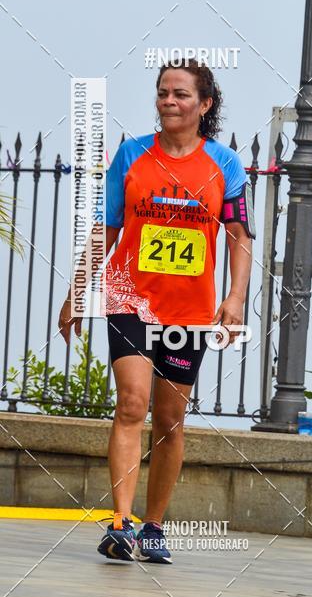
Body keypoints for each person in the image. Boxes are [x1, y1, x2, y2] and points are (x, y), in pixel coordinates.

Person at [59, 61, 255, 563]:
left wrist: (234, 299)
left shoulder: (225, 165)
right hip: (129, 299)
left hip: (187, 312)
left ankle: (154, 526)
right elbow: (106, 228)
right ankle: (120, 523)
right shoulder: (131, 154)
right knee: (131, 404)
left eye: (181, 95)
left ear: (204, 105)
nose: (169, 101)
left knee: (169, 419)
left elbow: (238, 237)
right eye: (163, 93)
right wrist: (77, 291)